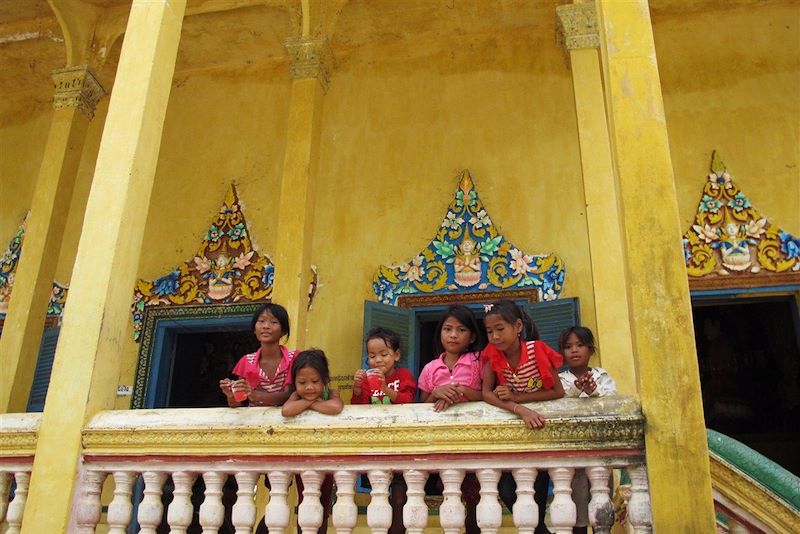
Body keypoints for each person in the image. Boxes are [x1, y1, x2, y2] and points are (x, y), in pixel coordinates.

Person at [482, 300, 564, 534]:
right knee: (507, 491)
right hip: (512, 434)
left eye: (500, 329)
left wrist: (517, 399)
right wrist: (518, 410)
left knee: (536, 494)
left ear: (518, 326)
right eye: (489, 331)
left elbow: (557, 391)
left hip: (538, 429)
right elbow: (487, 393)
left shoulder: (536, 350)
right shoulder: (492, 355)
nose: (495, 337)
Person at [418, 304, 484, 534]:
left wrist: (462, 390)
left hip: (475, 438)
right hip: (444, 440)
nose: (453, 335)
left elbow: (488, 394)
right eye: (447, 329)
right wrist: (436, 392)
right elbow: (421, 408)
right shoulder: (430, 368)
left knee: (478, 498)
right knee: (451, 494)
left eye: (461, 329)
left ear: (472, 336)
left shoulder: (478, 360)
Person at [351, 327, 417, 534]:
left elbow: (408, 400)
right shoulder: (370, 380)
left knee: (399, 496)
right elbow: (359, 406)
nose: (378, 360)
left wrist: (386, 388)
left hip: (400, 443)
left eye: (384, 354)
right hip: (376, 443)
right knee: (379, 495)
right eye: (372, 356)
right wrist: (358, 388)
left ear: (396, 355)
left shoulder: (403, 375)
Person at [558, 326, 617, 534]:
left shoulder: (602, 376)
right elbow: (560, 403)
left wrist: (593, 390)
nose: (574, 350)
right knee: (576, 501)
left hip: (598, 446)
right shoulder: (561, 380)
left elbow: (612, 401)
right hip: (572, 451)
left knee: (601, 496)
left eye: (580, 345)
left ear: (590, 350)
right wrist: (577, 388)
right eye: (568, 346)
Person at [280, 350, 342, 533]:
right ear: (294, 383)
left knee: (323, 506)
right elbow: (286, 410)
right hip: (304, 458)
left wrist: (311, 403)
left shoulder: (331, 393)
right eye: (302, 383)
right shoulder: (295, 397)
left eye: (315, 382)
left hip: (327, 456)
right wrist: (310, 403)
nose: (309, 388)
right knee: (306, 502)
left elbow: (336, 407)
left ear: (325, 380)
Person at [219, 303, 296, 407]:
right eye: (261, 321)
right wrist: (231, 395)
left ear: (283, 331)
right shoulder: (246, 361)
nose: (266, 326)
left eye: (273, 322)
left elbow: (289, 396)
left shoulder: (293, 358)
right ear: (255, 329)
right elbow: (238, 403)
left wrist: (254, 394)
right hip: (255, 422)